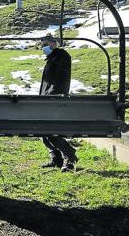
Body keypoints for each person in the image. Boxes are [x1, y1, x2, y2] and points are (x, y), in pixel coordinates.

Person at [39, 35, 78, 172]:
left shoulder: (61, 56)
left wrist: (51, 95)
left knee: (50, 131)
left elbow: (60, 78)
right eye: (42, 45)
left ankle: (69, 155)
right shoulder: (52, 59)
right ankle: (56, 158)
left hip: (54, 99)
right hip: (48, 98)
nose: (43, 47)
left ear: (54, 44)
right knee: (43, 131)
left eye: (45, 44)